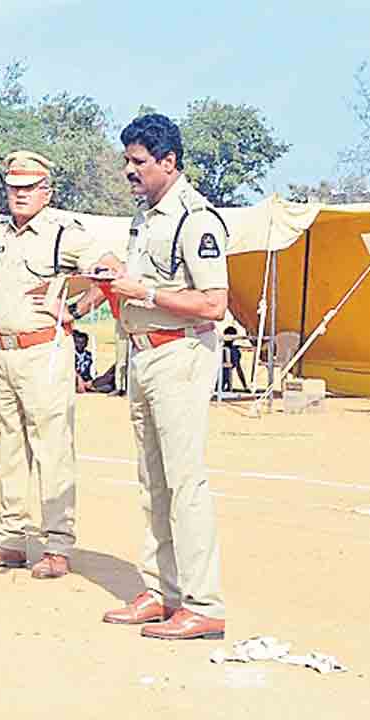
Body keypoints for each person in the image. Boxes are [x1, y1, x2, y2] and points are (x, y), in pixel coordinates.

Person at [97, 113, 228, 640]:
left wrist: (146, 293)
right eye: (127, 161)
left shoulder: (196, 220)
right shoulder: (145, 219)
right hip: (143, 355)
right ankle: (161, 591)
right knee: (152, 481)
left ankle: (202, 602)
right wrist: (113, 282)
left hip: (181, 355)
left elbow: (213, 303)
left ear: (168, 161)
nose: (129, 171)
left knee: (184, 482)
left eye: (138, 162)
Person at [0, 150, 107, 580]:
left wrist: (74, 309)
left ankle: (57, 546)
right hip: (5, 352)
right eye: (14, 187)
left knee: (52, 451)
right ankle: (10, 539)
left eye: (29, 188)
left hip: (45, 352)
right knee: (11, 448)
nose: (20, 195)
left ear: (47, 191)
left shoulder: (63, 233)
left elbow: (109, 271)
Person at [219, 326, 249, 393]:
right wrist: (245, 386)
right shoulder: (221, 350)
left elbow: (238, 370)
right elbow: (238, 370)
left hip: (222, 382)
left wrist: (245, 386)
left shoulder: (234, 351)